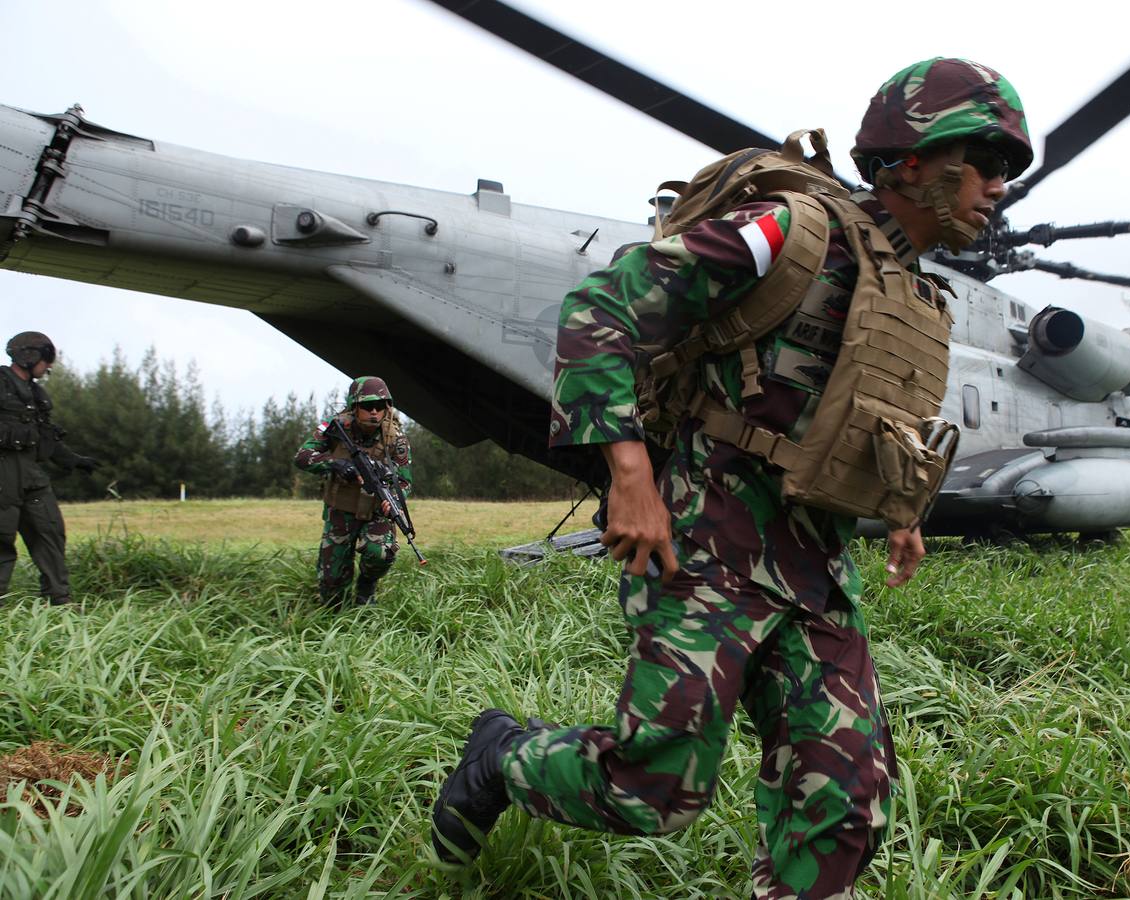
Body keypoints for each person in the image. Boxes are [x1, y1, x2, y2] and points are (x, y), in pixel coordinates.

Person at [433, 58, 1033, 897]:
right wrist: (632, 477)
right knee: (653, 789)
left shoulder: (911, 294)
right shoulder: (790, 231)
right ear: (910, 159)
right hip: (706, 544)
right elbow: (600, 311)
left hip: (815, 565)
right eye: (989, 162)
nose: (1001, 187)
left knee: (846, 797)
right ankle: (502, 754)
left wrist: (903, 512)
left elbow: (863, 418)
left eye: (1009, 171)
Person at [293, 376, 412, 607]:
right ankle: (335, 612)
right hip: (341, 509)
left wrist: (395, 501)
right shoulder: (335, 427)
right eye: (368, 406)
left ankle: (367, 586)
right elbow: (302, 456)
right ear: (354, 406)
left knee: (380, 553)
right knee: (332, 581)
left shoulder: (396, 439)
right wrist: (334, 463)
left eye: (381, 406)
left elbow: (405, 482)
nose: (374, 412)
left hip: (377, 510)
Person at [0, 332, 98, 606]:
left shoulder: (36, 395)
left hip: (31, 475)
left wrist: (73, 459)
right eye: (46, 360)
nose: (49, 367)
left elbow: (45, 438)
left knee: (50, 532)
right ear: (29, 356)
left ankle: (59, 599)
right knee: (2, 538)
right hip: (3, 476)